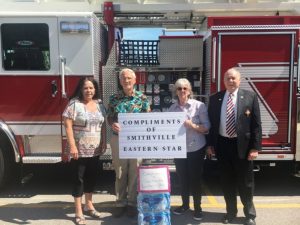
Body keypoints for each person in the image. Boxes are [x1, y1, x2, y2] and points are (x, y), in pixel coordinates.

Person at [206, 68, 262, 225]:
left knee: (246, 182)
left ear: (240, 80)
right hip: (223, 145)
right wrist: (210, 144)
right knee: (227, 181)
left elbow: (256, 124)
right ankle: (231, 212)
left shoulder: (250, 97)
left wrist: (255, 148)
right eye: (228, 78)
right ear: (223, 81)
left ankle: (250, 215)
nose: (231, 81)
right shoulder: (215, 98)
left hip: (243, 146)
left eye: (233, 78)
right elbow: (212, 124)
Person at [107, 68, 150, 218]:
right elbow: (109, 116)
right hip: (118, 138)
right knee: (120, 171)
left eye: (129, 78)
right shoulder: (113, 98)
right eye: (123, 78)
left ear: (135, 80)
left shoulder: (143, 98)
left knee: (134, 171)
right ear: (120, 81)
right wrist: (112, 123)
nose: (126, 81)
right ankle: (120, 202)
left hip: (137, 140)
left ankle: (132, 203)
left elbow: (148, 118)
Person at [63, 77, 106, 225]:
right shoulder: (74, 104)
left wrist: (104, 142)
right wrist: (73, 146)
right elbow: (68, 126)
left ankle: (89, 205)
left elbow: (103, 125)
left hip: (95, 149)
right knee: (78, 179)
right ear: (81, 89)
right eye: (86, 88)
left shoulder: (100, 105)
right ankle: (78, 211)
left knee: (91, 177)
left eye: (91, 88)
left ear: (95, 90)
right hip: (79, 150)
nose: (89, 91)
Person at [168, 78, 210, 221]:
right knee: (182, 179)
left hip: (196, 148)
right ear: (176, 91)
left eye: (185, 88)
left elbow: (207, 127)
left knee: (195, 179)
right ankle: (185, 205)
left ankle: (198, 208)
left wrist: (192, 125)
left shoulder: (199, 106)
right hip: (179, 150)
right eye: (179, 89)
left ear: (190, 90)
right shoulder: (172, 109)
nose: (182, 91)